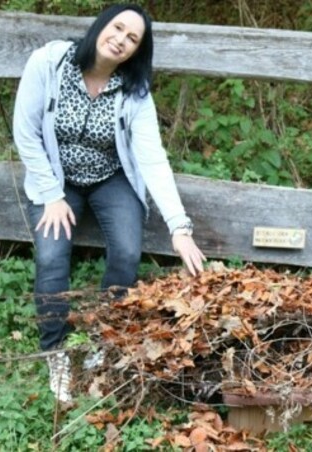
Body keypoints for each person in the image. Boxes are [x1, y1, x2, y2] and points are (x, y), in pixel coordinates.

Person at [13, 4, 206, 403]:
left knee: (127, 250)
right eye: (117, 28)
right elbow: (26, 132)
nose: (121, 39)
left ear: (137, 50)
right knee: (51, 255)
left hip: (109, 178)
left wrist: (179, 226)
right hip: (56, 179)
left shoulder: (134, 92)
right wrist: (51, 195)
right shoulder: (48, 63)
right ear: (101, 26)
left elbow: (152, 158)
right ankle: (57, 350)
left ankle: (102, 338)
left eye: (132, 38)